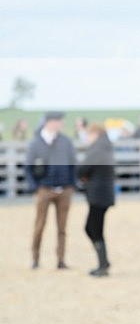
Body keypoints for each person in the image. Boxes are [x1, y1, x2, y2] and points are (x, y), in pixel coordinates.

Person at [25, 111, 78, 270]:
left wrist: (72, 184)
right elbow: (28, 167)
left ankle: (61, 259)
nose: (60, 124)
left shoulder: (65, 141)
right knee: (40, 225)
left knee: (62, 227)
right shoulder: (35, 143)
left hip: (64, 189)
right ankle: (35, 258)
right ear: (48, 122)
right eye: (57, 121)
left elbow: (73, 164)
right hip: (45, 189)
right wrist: (35, 186)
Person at [77, 123, 116, 276]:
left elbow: (82, 168)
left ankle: (103, 265)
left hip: (98, 194)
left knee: (93, 228)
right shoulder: (105, 147)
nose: (87, 138)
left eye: (88, 134)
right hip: (102, 194)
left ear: (95, 134)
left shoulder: (98, 149)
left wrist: (82, 175)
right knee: (93, 227)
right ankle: (103, 262)